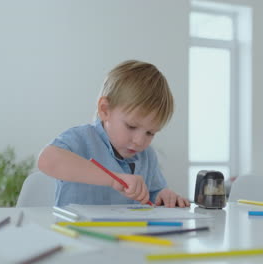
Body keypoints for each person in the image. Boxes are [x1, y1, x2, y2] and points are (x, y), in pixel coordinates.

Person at [38, 60, 190, 208]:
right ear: (105, 110)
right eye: (131, 126)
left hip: (127, 233)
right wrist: (112, 179)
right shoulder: (81, 139)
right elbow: (47, 160)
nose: (139, 141)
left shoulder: (147, 156)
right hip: (76, 232)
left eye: (150, 133)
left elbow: (154, 193)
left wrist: (163, 195)